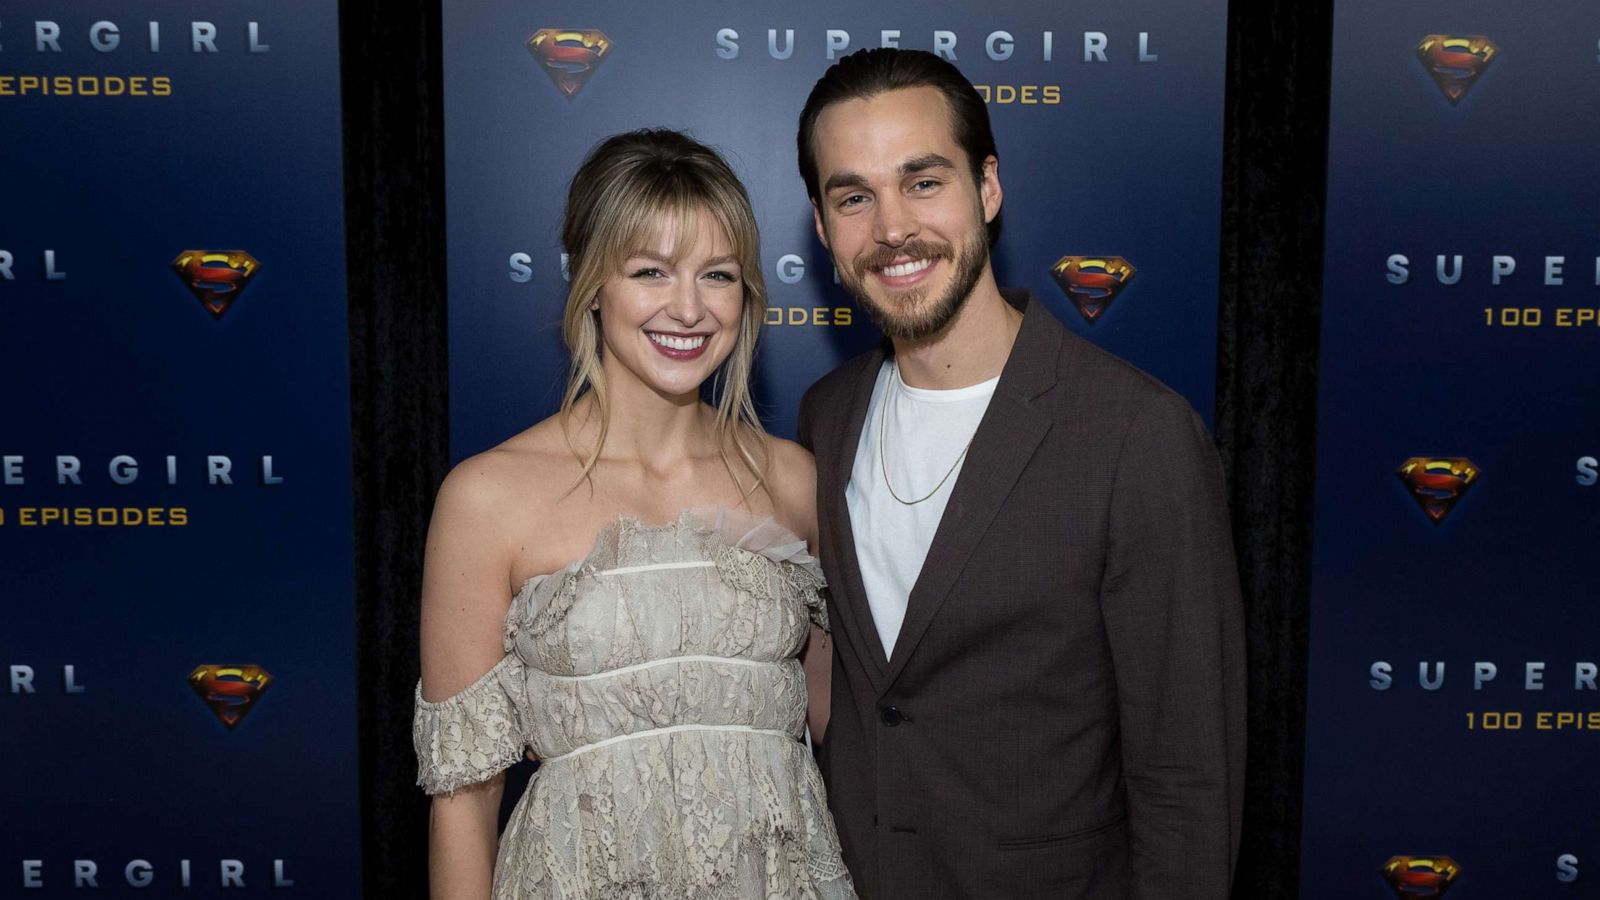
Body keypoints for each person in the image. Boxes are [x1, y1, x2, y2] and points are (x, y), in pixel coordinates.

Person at [794, 49, 1245, 898]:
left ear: (987, 189)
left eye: (923, 182)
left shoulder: (1137, 435)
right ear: (822, 227)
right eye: (854, 196)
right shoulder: (826, 414)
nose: (892, 227)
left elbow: (1188, 776)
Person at [413, 129, 856, 899]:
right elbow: (463, 798)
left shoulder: (792, 478)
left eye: (717, 275)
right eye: (651, 271)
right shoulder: (488, 497)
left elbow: (839, 735)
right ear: (592, 285)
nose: (688, 308)